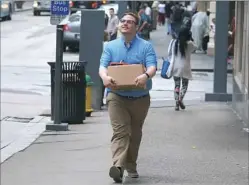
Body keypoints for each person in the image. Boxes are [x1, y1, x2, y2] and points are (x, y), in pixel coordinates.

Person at [99, 12, 157, 183]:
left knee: (135, 133)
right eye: (123, 21)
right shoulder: (110, 46)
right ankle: (118, 167)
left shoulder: (146, 46)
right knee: (121, 132)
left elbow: (153, 66)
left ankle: (131, 165)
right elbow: (102, 67)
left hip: (140, 98)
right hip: (117, 96)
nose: (125, 24)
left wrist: (145, 76)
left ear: (136, 27)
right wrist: (105, 78)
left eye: (130, 22)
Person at [170, 27, 197, 111]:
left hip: (175, 67)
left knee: (177, 85)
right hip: (185, 67)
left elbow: (169, 53)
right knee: (184, 85)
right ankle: (180, 99)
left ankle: (176, 105)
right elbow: (195, 48)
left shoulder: (174, 42)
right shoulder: (189, 44)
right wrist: (191, 39)